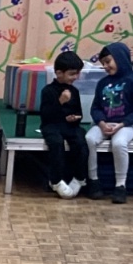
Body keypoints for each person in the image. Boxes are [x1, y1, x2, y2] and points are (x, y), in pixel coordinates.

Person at [84, 42, 133, 204]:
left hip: (125, 125)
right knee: (89, 139)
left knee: (119, 143)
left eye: (108, 61)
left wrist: (123, 124)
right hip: (104, 124)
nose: (105, 66)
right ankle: (93, 180)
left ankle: (120, 185)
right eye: (103, 63)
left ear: (120, 58)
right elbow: (95, 107)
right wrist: (101, 122)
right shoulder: (102, 83)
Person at [39, 50, 87, 197]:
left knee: (81, 141)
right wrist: (60, 101)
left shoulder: (74, 91)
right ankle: (56, 180)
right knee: (56, 143)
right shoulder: (48, 91)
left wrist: (75, 118)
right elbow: (46, 116)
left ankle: (79, 178)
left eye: (77, 74)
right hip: (51, 125)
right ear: (59, 73)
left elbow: (79, 113)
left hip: (70, 126)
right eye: (72, 74)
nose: (75, 77)